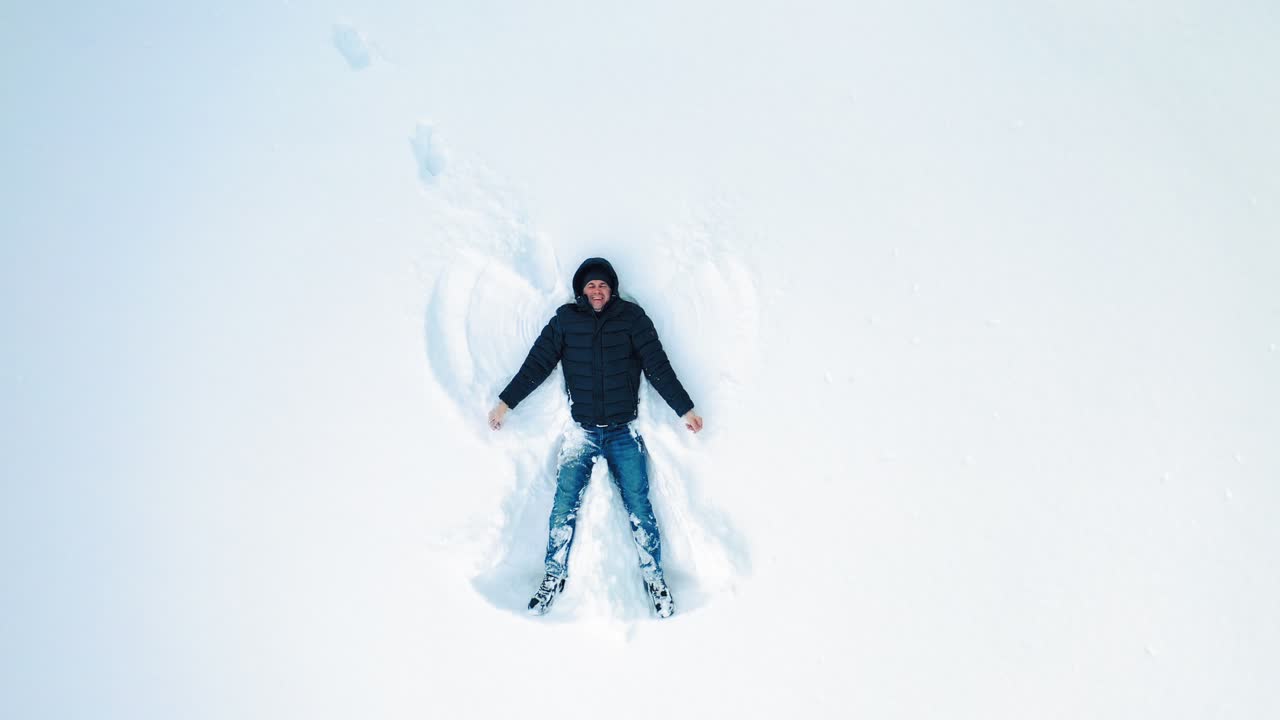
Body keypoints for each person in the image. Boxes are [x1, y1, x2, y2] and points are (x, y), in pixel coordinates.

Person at [488, 257, 703, 619]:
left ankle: (655, 579)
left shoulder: (633, 320)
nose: (597, 290)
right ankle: (553, 576)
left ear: (612, 289)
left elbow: (657, 366)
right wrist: (504, 404)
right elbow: (536, 365)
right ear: (580, 291)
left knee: (639, 505)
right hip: (581, 433)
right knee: (563, 505)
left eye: (602, 285)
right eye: (590, 285)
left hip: (624, 433)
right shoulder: (565, 322)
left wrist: (685, 409)